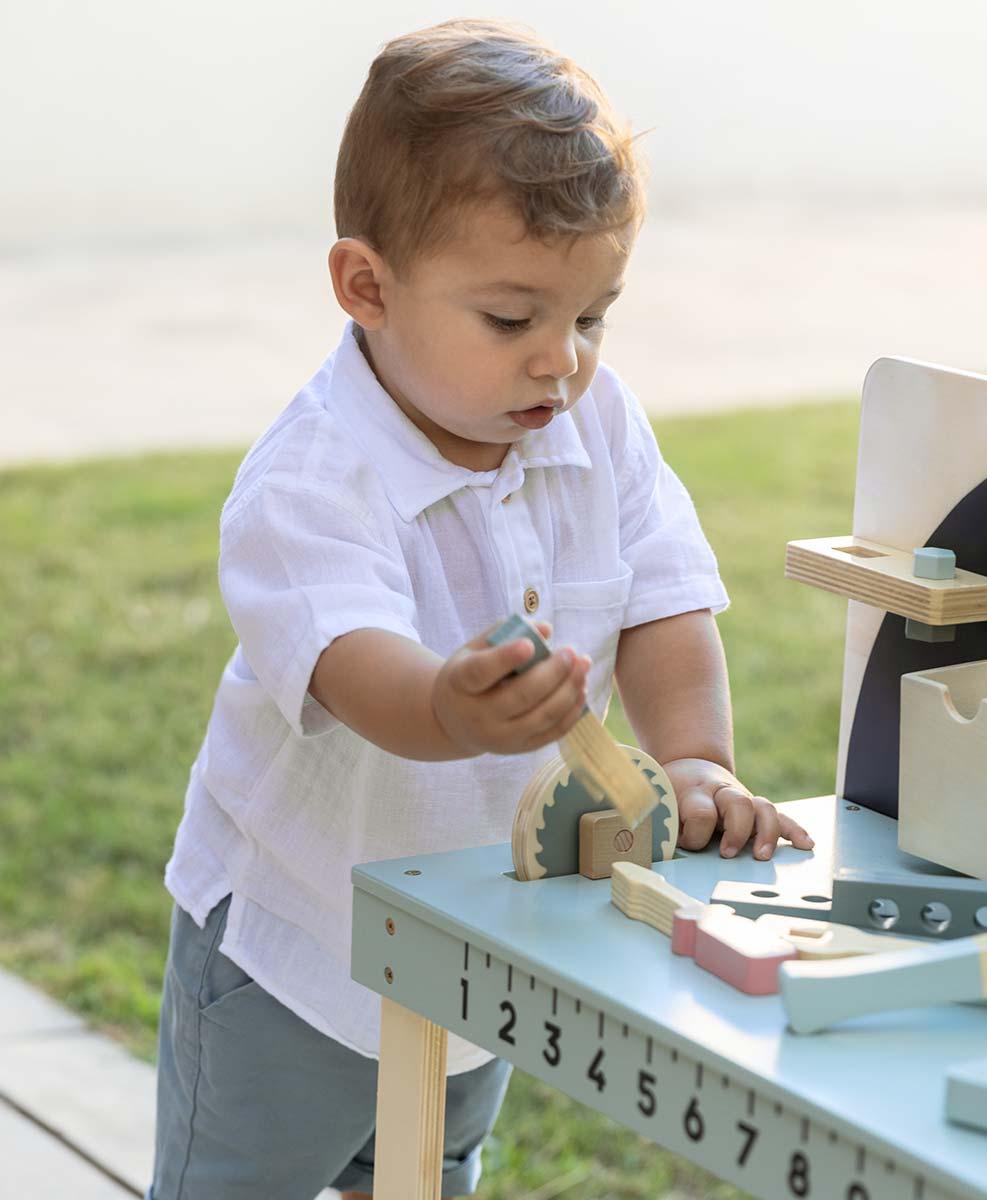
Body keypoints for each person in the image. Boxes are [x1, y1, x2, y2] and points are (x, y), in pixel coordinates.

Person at [149, 18, 814, 1200]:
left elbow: (664, 597)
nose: (561, 361)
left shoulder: (599, 427)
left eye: (593, 316)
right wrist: (450, 707)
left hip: (477, 937)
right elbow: (359, 671)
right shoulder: (311, 481)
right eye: (512, 320)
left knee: (424, 1173)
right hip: (295, 953)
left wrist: (699, 760)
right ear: (367, 286)